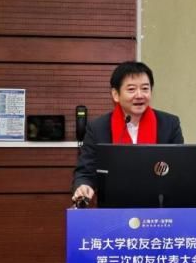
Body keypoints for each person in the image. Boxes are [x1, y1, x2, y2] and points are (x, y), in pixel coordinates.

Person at [71, 61, 183, 205]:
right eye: (131, 89)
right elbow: (85, 172)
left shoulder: (169, 124)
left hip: (159, 207)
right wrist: (83, 186)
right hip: (113, 208)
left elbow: (178, 170)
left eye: (145, 88)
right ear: (115, 94)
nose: (139, 95)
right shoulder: (98, 128)